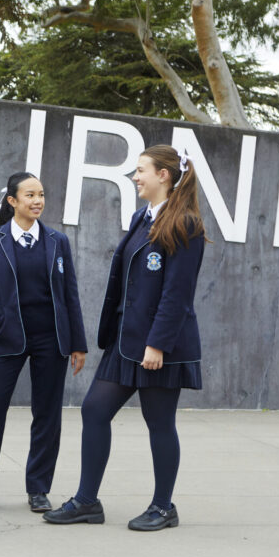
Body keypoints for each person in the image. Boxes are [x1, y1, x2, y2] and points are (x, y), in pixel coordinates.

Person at [44, 145, 208, 531]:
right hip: (125, 340)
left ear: (163, 175)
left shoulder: (185, 223)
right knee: (94, 410)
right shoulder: (141, 218)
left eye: (141, 171)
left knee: (159, 422)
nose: (136, 177)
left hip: (158, 346)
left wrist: (158, 344)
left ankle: (163, 507)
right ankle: (87, 501)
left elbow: (177, 293)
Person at [0, 172, 87, 514]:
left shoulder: (58, 241)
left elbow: (71, 296)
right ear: (12, 201)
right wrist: (0, 315)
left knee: (47, 415)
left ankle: (38, 489)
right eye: (30, 195)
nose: (38, 201)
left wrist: (78, 344)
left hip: (52, 340)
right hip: (7, 338)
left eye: (41, 194)